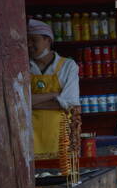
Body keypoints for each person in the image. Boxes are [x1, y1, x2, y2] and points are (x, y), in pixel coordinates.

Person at [27, 18, 80, 160]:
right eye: (27, 40)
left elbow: (69, 103)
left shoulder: (68, 66)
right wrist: (53, 95)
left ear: (48, 40)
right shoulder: (23, 66)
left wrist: (31, 103)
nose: (29, 44)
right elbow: (20, 102)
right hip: (30, 139)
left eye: (33, 40)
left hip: (61, 137)